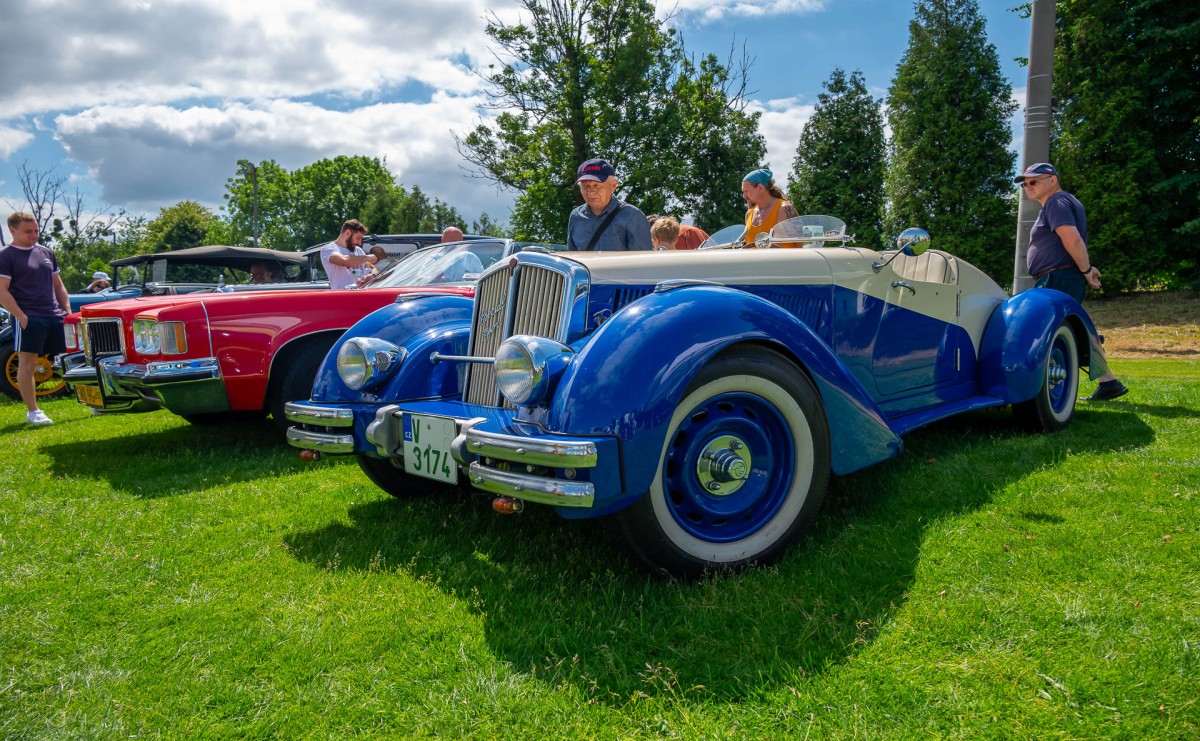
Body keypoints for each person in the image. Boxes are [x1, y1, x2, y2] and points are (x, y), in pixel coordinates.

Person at [1017, 162, 1128, 401]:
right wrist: (1085, 268)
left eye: (1034, 181)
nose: (1028, 186)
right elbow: (1073, 243)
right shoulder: (1061, 203)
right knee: (1067, 328)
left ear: (1053, 180)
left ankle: (1044, 393)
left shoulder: (1056, 202)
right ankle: (1108, 381)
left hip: (1057, 277)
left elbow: (1072, 239)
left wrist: (1086, 269)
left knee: (1045, 332)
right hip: (1062, 275)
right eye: (1025, 184)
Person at [0, 213, 70, 426]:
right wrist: (21, 316)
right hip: (30, 318)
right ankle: (34, 411)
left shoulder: (46, 252)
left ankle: (91, 401)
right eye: (28, 231)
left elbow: (58, 285)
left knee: (72, 360)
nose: (34, 235)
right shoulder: (6, 256)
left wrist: (67, 312)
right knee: (27, 363)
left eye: (36, 230)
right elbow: (2, 290)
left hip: (56, 316)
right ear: (12, 230)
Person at [566, 159, 653, 251]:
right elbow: (573, 259)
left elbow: (642, 262)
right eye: (585, 186)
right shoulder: (576, 216)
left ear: (613, 185)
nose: (590, 192)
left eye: (597, 186)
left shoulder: (632, 216)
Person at [742, 168, 799, 246]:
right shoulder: (749, 214)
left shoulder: (784, 209)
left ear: (760, 187)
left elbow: (801, 244)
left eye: (746, 191)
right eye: (743, 192)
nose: (744, 196)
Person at [320, 219, 377, 290]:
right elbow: (345, 261)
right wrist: (367, 258)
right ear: (347, 233)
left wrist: (373, 275)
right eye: (358, 238)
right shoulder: (328, 249)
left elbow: (373, 268)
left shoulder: (358, 250)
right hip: (342, 298)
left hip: (360, 297)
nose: (359, 243)